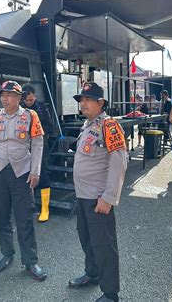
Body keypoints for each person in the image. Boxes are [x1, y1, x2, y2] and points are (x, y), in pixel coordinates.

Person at [0, 80, 47, 281]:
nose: (4, 99)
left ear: (19, 97)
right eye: (2, 95)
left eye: (9, 95)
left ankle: (31, 261)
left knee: (24, 217)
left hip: (22, 172)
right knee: (0, 214)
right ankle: (7, 253)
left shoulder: (30, 116)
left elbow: (38, 143)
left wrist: (35, 170)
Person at [68, 82, 128, 302]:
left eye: (87, 100)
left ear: (100, 103)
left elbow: (119, 161)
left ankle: (110, 293)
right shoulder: (88, 125)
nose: (83, 103)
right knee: (87, 238)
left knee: (104, 245)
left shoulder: (109, 125)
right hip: (83, 195)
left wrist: (109, 198)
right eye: (81, 100)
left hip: (98, 198)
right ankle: (92, 274)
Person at [21, 83, 54, 223]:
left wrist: (38, 134)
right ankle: (29, 206)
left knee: (42, 174)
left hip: (39, 145)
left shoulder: (42, 107)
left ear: (34, 96)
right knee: (26, 175)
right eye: (26, 100)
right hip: (23, 146)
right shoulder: (20, 110)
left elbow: (49, 125)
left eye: (30, 99)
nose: (28, 102)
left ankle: (45, 209)